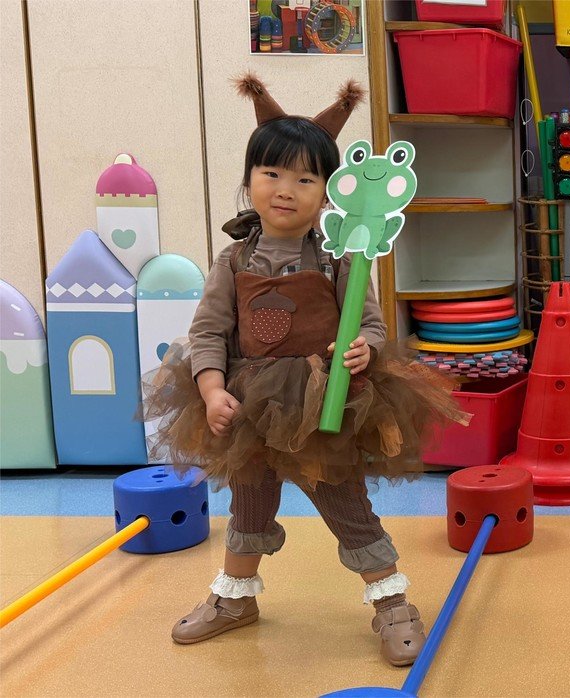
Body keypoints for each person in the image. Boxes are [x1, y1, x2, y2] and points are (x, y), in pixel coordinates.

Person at [144, 73, 466, 666]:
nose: (286, 190)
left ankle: (391, 602)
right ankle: (234, 599)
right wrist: (210, 390)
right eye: (271, 173)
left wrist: (366, 349)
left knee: (346, 505)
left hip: (325, 402)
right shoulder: (233, 259)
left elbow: (368, 323)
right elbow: (208, 332)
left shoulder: (340, 257)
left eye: (305, 178)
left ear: (328, 193)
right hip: (249, 407)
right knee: (249, 503)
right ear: (249, 181)